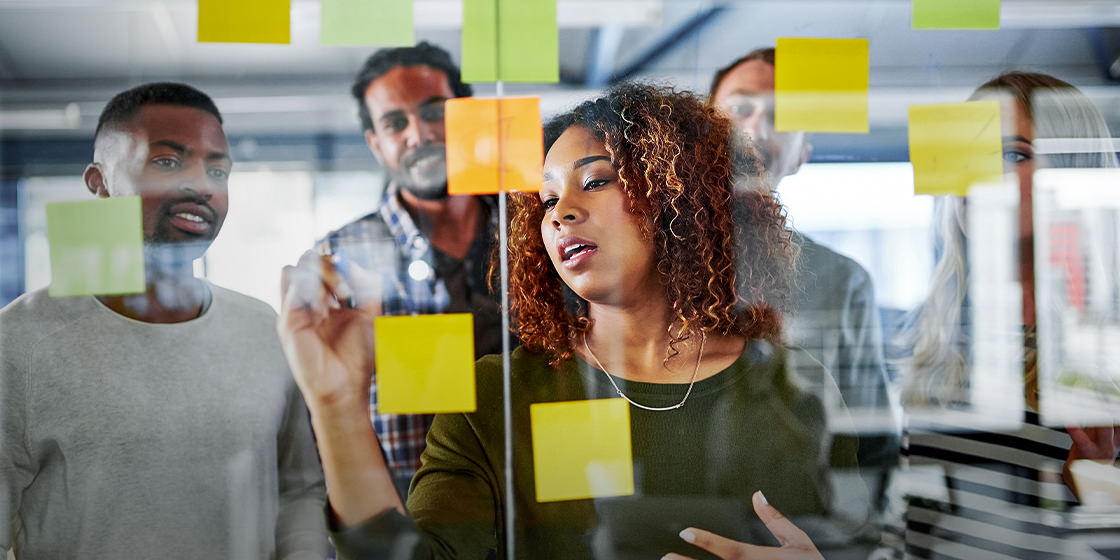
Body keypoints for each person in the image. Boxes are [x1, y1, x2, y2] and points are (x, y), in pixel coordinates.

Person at [278, 83, 866, 559]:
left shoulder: (792, 384)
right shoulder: (494, 395)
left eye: (595, 181)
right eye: (546, 199)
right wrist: (336, 405)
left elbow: (861, 541)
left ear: (680, 196)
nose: (561, 213)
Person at [0, 83, 327, 559]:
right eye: (168, 162)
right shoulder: (20, 341)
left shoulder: (263, 328)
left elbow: (298, 490)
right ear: (99, 182)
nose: (202, 185)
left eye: (218, 170)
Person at [888, 71, 1120, 559]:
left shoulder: (1105, 344)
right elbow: (910, 523)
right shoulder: (935, 332)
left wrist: (1099, 487)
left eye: (1013, 155)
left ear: (1071, 174)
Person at [710, 47, 899, 511]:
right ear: (701, 129)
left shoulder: (842, 281)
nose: (757, 128)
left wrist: (851, 536)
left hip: (802, 528)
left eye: (782, 117)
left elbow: (871, 443)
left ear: (802, 155)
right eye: (740, 108)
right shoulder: (639, 262)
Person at [319, 41, 502, 492]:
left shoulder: (539, 231)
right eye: (395, 123)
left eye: (435, 112)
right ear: (375, 144)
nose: (419, 135)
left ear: (468, 116)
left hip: (546, 501)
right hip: (416, 511)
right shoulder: (340, 258)